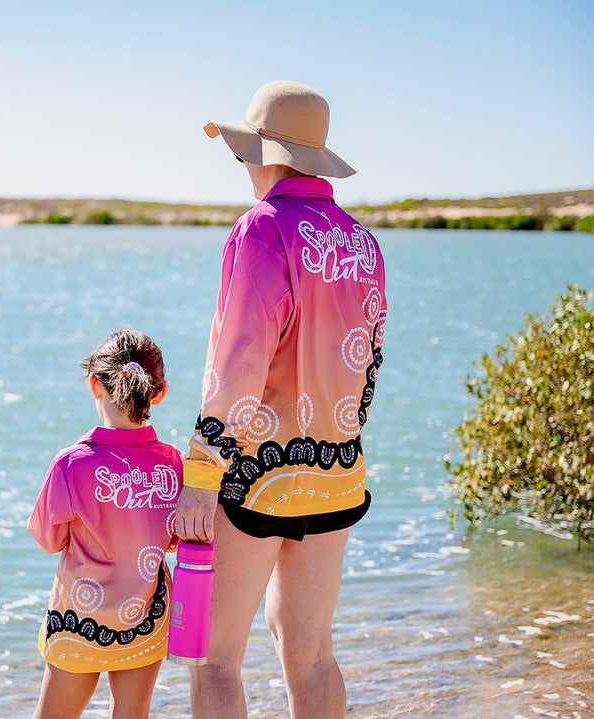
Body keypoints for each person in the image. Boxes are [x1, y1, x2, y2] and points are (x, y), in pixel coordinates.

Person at [174, 81, 387, 719]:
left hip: (258, 476)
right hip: (338, 474)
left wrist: (200, 475)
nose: (243, 165)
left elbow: (237, 365)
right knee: (312, 654)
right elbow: (366, 363)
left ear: (268, 154)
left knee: (215, 661)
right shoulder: (362, 243)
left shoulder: (261, 230)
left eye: (246, 152)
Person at [29, 328, 183, 719]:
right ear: (159, 392)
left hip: (79, 621)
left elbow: (49, 540)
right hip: (144, 617)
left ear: (96, 385)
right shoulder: (174, 464)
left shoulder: (71, 464)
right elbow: (174, 542)